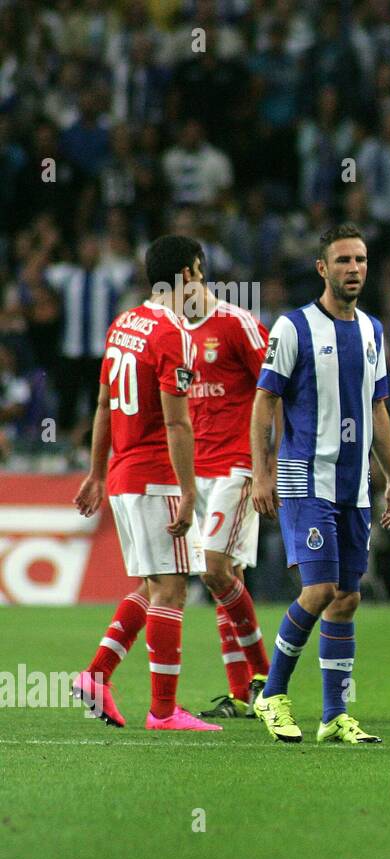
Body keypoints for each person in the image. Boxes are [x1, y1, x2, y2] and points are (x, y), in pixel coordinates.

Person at [250, 223, 390, 745]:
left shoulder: (372, 331)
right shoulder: (293, 328)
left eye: (360, 260)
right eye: (343, 261)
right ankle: (272, 694)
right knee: (318, 591)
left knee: (347, 598)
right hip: (303, 478)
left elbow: (378, 408)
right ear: (322, 268)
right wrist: (263, 471)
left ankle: (334, 715)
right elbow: (264, 401)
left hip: (354, 485)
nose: (353, 269)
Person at [72, 234, 216, 732]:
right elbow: (178, 424)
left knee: (151, 585)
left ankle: (97, 675)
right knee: (172, 590)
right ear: (188, 275)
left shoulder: (122, 325)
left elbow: (103, 405)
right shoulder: (173, 334)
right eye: (200, 272)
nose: (204, 281)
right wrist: (190, 489)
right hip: (157, 477)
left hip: (122, 475)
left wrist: (95, 472)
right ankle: (163, 711)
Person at [182, 275, 273, 720]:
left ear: (192, 276)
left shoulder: (239, 323)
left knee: (215, 571)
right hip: (197, 471)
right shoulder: (176, 330)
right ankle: (242, 694)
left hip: (236, 465)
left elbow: (273, 388)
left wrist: (267, 467)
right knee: (226, 577)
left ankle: (266, 679)